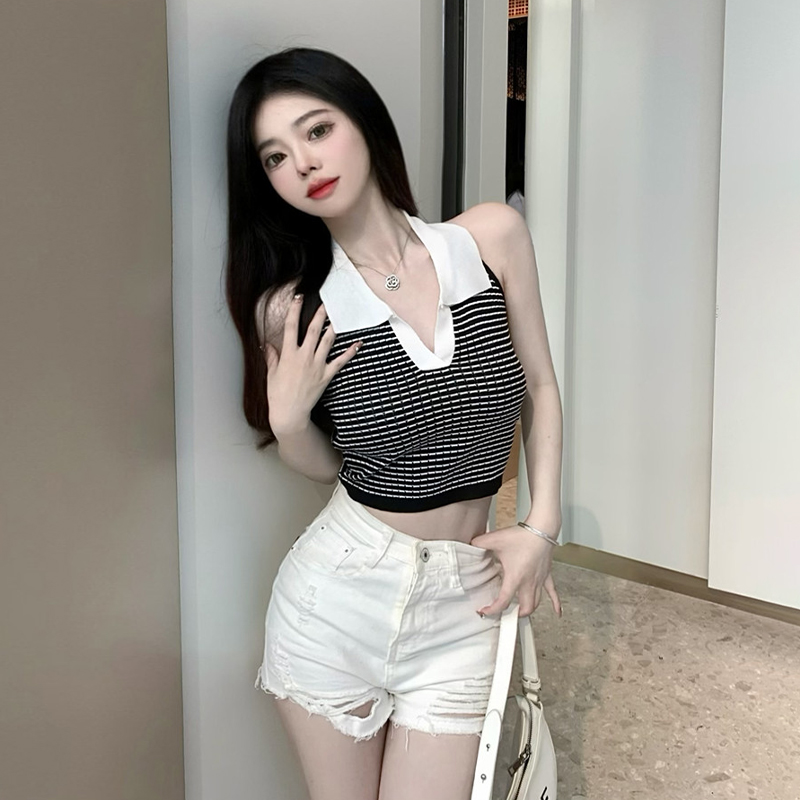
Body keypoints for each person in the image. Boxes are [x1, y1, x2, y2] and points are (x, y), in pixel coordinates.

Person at [225, 47, 563, 800]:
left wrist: (542, 525)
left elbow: (541, 386)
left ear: (365, 123)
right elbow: (330, 467)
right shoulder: (293, 308)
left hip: (467, 601)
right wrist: (289, 423)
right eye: (275, 156)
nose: (303, 163)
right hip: (336, 600)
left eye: (317, 130)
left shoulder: (489, 238)